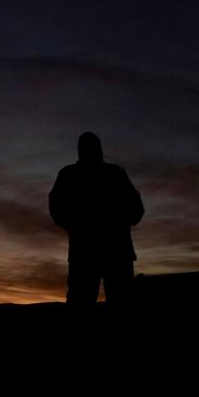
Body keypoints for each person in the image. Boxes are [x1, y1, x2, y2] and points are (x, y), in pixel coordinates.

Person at [48, 132, 144, 308]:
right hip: (104, 251)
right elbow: (137, 209)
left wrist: (73, 225)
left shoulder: (71, 174)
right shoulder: (113, 173)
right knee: (93, 300)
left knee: (95, 300)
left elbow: (136, 208)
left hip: (95, 251)